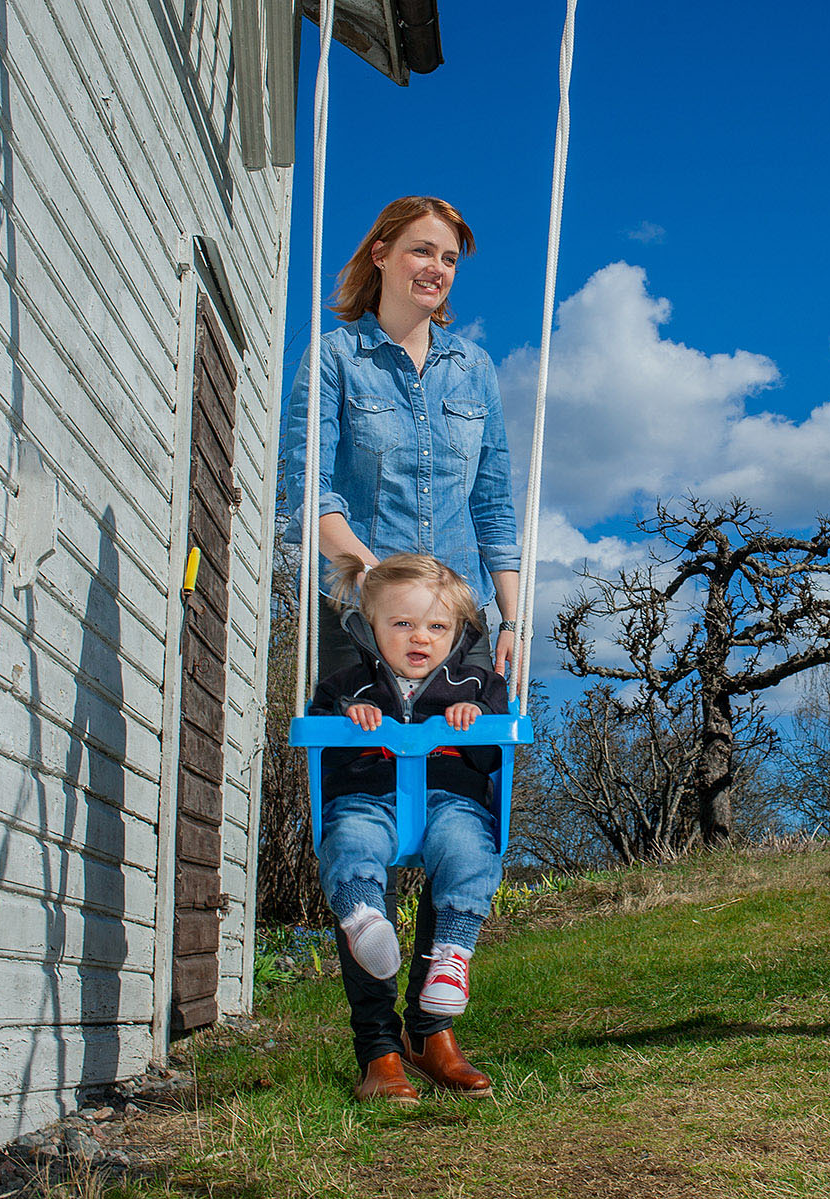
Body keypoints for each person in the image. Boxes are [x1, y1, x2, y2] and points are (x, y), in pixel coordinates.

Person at [279, 195, 522, 1102]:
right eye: (422, 250)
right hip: (366, 615)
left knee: (457, 803)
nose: (436, 269)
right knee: (370, 811)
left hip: (455, 623)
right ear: (380, 253)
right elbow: (305, 491)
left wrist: (509, 616)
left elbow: (494, 498)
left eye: (450, 258)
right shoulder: (337, 356)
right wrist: (372, 575)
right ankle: (379, 1042)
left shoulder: (475, 370)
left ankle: (435, 1030)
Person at [308, 552, 507, 1103]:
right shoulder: (347, 686)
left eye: (437, 626)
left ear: (458, 631)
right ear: (370, 626)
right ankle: (362, 915)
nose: (420, 637)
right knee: (350, 840)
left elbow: (496, 760)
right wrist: (350, 724)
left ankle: (450, 961)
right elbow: (319, 752)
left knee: (470, 851)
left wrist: (477, 728)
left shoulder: (479, 685)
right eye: (402, 624)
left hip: (451, 804)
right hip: (370, 800)